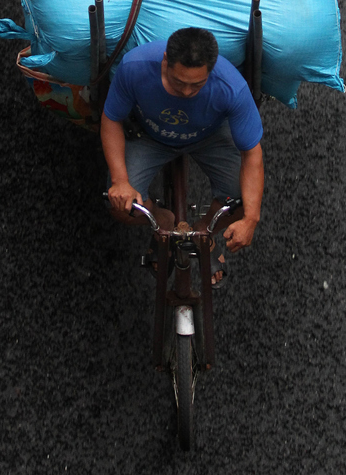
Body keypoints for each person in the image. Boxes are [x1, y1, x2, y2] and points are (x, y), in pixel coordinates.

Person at [101, 27, 264, 285]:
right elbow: (111, 119)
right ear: (165, 60)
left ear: (211, 70)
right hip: (150, 136)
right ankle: (161, 220)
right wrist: (120, 181)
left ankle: (204, 232)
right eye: (178, 82)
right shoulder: (134, 68)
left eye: (197, 85)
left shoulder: (232, 88)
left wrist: (251, 217)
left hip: (208, 138)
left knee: (244, 199)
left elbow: (252, 154)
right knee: (119, 207)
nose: (187, 92)